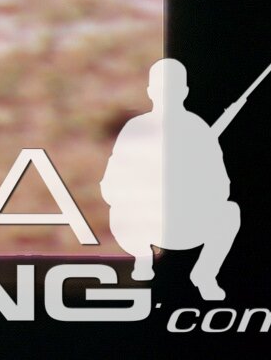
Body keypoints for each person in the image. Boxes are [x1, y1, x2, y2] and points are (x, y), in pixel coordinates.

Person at [103, 55, 250, 304]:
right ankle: (142, 257)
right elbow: (111, 185)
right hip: (143, 224)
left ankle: (204, 275)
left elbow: (221, 187)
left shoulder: (199, 129)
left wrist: (188, 186)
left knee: (229, 212)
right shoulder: (136, 129)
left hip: (189, 225)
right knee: (120, 210)